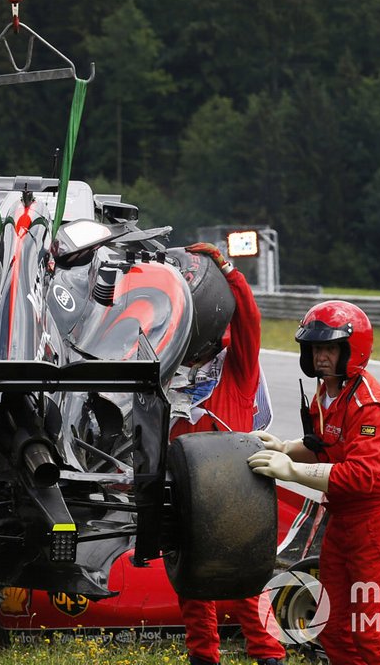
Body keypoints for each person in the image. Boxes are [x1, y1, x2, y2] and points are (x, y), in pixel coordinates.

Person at [247, 300, 380, 665]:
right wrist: (288, 448)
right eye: (316, 348)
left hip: (376, 521)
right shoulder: (327, 392)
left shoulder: (370, 406)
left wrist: (291, 470)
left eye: (330, 348)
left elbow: (359, 476)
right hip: (342, 519)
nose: (321, 356)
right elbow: (326, 446)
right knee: (331, 625)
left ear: (351, 350)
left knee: (371, 631)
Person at [168, 243, 287, 665]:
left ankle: (271, 654)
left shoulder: (236, 364)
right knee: (190, 582)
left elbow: (250, 319)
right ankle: (203, 657)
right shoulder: (162, 367)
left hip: (239, 491)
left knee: (250, 583)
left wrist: (228, 271)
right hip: (184, 488)